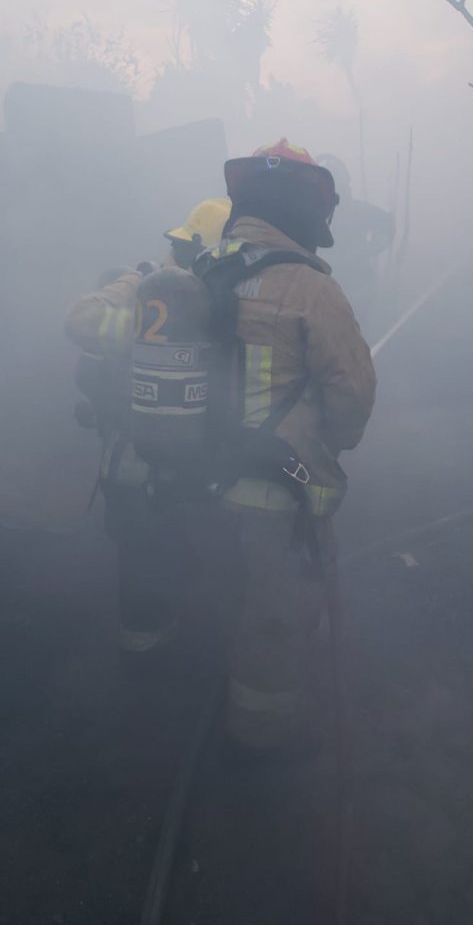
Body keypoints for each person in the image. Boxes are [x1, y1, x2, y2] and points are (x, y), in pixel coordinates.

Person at [209, 139, 376, 751]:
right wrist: (330, 442)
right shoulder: (311, 289)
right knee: (270, 623)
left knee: (213, 591)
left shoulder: (205, 271)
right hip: (275, 500)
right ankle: (263, 742)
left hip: (193, 480)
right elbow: (352, 396)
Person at [64, 198, 231, 653]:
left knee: (165, 549)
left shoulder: (223, 301)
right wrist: (146, 328)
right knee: (143, 548)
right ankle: (150, 648)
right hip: (144, 457)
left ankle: (160, 637)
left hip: (184, 462)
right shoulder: (142, 286)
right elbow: (80, 320)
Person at [316, 153, 395, 338]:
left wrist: (369, 249)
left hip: (353, 286)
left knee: (346, 334)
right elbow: (387, 223)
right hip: (332, 286)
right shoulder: (319, 212)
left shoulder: (356, 210)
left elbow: (387, 224)